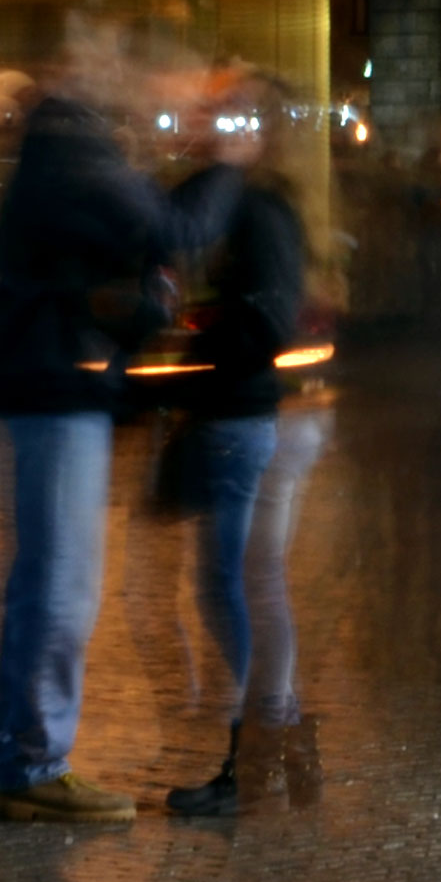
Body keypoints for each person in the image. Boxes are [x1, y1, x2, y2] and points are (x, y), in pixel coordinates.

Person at [0, 26, 248, 822]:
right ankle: (29, 764)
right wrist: (227, 165)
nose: (165, 98)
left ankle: (14, 761)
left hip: (50, 378)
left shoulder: (61, 145)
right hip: (56, 382)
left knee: (42, 581)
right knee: (59, 584)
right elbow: (172, 228)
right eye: (165, 79)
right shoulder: (72, 145)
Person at [163, 74, 310, 817]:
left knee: (233, 591)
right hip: (234, 413)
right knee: (243, 590)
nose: (193, 127)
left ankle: (256, 757)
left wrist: (203, 333)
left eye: (211, 117)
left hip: (238, 415)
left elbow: (267, 319)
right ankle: (280, 753)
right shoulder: (242, 201)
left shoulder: (259, 209)